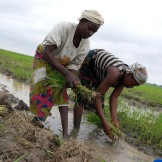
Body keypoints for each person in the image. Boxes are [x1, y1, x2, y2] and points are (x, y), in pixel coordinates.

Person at [29, 9, 104, 139]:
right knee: (40, 89)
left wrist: (73, 78)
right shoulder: (64, 28)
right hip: (44, 58)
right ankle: (35, 121)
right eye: (89, 28)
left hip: (62, 65)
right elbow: (47, 53)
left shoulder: (85, 45)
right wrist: (66, 73)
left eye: (94, 31)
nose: (90, 33)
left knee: (62, 93)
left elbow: (74, 66)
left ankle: (65, 135)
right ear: (82, 21)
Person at [74, 49, 148, 140]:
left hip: (101, 72)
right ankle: (75, 131)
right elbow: (96, 97)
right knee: (82, 98)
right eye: (133, 84)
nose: (132, 87)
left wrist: (114, 120)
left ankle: (96, 132)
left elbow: (114, 97)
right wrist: (105, 123)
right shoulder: (115, 73)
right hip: (90, 61)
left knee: (99, 105)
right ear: (130, 75)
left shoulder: (124, 79)